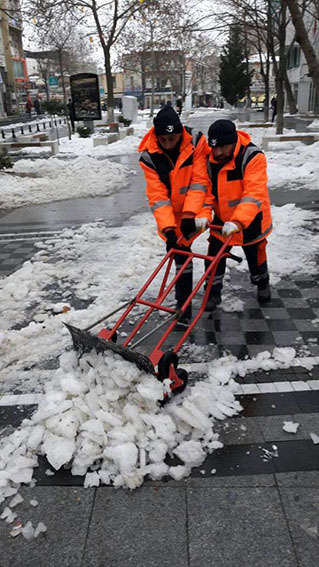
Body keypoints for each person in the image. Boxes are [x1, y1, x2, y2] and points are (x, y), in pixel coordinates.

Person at [138, 105, 213, 319]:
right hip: (171, 212)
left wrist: (190, 214)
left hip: (198, 205)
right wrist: (169, 229)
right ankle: (183, 301)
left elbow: (199, 182)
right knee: (179, 254)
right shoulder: (149, 157)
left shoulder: (196, 142)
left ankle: (210, 293)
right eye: (163, 140)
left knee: (211, 248)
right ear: (157, 136)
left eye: (172, 138)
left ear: (180, 133)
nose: (168, 144)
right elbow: (158, 197)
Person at [204, 119, 272, 311]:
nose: (217, 153)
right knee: (214, 257)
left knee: (256, 255)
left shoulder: (252, 157)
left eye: (222, 148)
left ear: (233, 142)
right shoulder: (210, 160)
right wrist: (201, 214)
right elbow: (205, 192)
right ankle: (212, 292)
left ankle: (262, 283)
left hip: (251, 219)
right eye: (213, 147)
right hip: (221, 220)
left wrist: (238, 221)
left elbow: (253, 192)